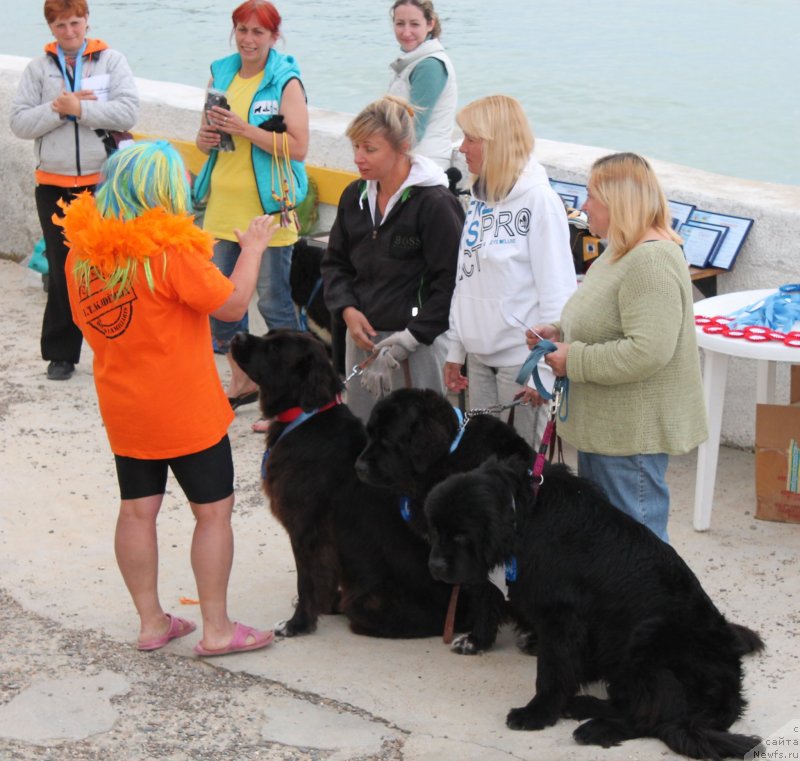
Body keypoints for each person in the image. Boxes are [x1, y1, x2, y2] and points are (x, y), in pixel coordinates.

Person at [60, 141, 276, 656]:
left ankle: (152, 622)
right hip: (185, 409)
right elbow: (233, 305)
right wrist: (252, 248)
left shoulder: (81, 255)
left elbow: (85, 325)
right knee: (213, 514)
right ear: (165, 190)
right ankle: (218, 630)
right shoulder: (170, 253)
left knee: (137, 512)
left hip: (125, 407)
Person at [526, 152, 708, 543]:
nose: (583, 205)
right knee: (612, 546)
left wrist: (572, 359)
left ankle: (651, 609)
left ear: (619, 201)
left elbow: (647, 351)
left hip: (630, 437)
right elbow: (602, 317)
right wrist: (557, 331)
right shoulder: (620, 250)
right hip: (609, 430)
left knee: (637, 549)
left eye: (592, 196)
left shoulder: (652, 261)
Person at [10, 0, 138, 382]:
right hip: (53, 185)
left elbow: (128, 112)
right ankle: (61, 353)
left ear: (87, 22)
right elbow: (19, 123)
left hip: (103, 185)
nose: (70, 31)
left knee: (110, 269)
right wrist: (59, 108)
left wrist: (81, 112)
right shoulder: (38, 69)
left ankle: (116, 347)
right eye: (61, 25)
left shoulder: (111, 61)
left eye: (75, 22)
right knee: (64, 271)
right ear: (51, 28)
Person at [320, 95, 464, 423]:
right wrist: (346, 309)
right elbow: (335, 262)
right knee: (364, 438)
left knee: (414, 445)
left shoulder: (435, 204)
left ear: (402, 146)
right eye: (355, 147)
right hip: (362, 338)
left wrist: (412, 337)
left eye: (370, 149)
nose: (358, 158)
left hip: (417, 346)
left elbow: (453, 282)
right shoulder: (354, 196)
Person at [194, 0, 309, 409]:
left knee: (275, 304)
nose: (248, 39)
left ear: (274, 37)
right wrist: (205, 139)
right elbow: (205, 135)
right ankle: (242, 383)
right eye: (242, 30)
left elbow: (298, 147)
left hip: (269, 211)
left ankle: (296, 395)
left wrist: (245, 129)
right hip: (222, 207)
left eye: (258, 32)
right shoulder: (221, 71)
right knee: (221, 304)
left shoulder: (285, 80)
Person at [444, 95, 576, 447]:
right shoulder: (480, 198)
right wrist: (456, 350)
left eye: (471, 138)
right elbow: (465, 277)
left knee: (516, 474)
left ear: (495, 143)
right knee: (482, 467)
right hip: (478, 358)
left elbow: (558, 292)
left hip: (520, 365)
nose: (462, 147)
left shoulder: (540, 201)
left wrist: (543, 372)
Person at [386, 0, 456, 169]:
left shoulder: (430, 65)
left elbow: (413, 128)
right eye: (400, 24)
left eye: (415, 24)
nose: (406, 32)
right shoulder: (414, 61)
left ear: (430, 24)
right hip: (411, 160)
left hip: (423, 164)